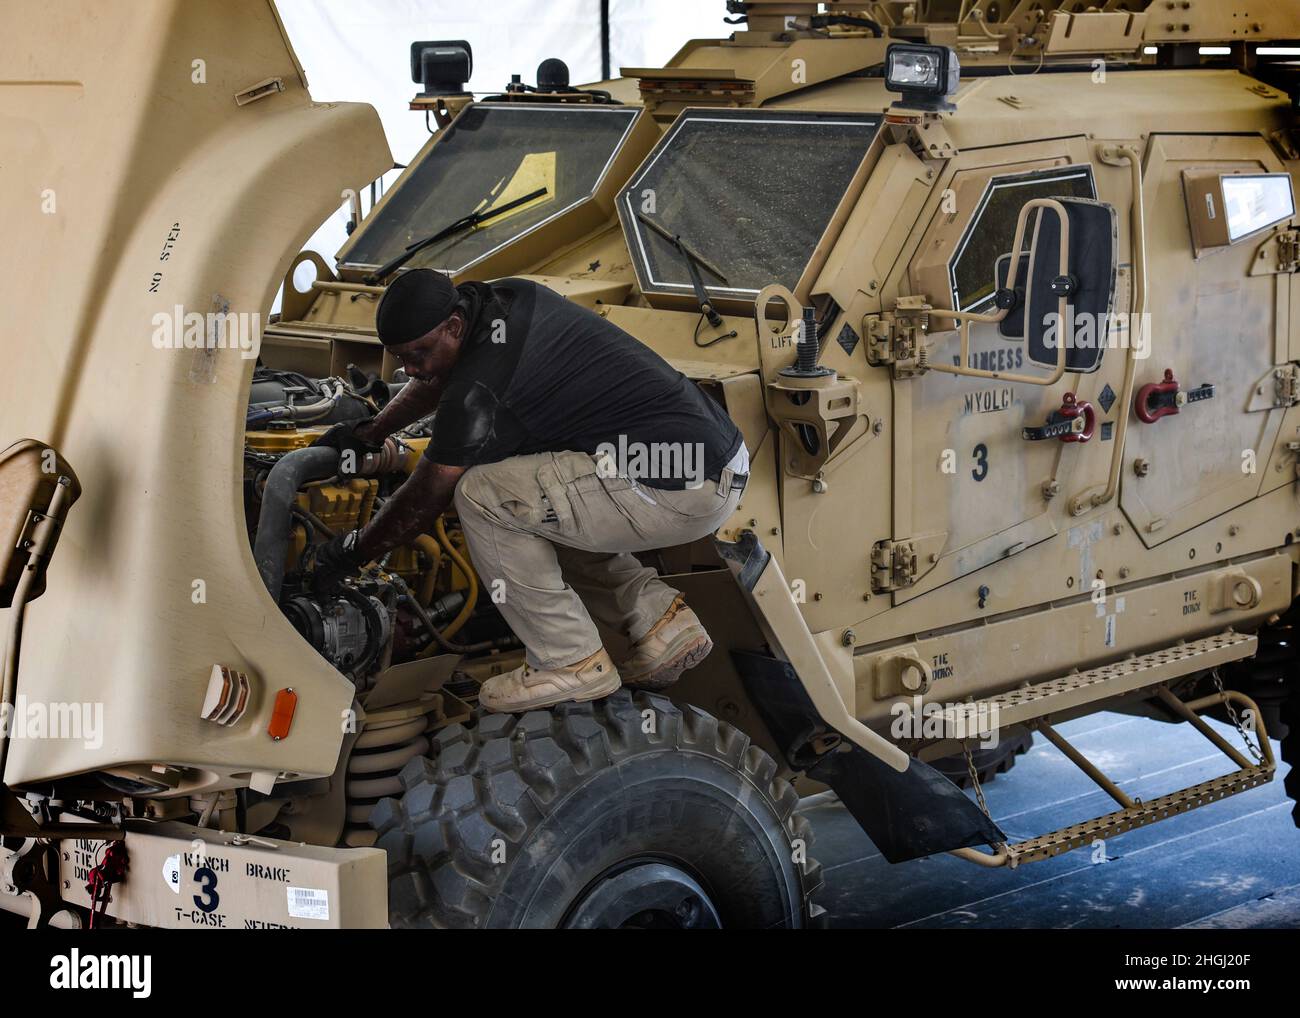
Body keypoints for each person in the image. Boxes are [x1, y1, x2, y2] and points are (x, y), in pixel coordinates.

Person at [309, 269, 748, 712]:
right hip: (711, 463)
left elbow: (426, 498)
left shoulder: (477, 391)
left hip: (677, 488)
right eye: (401, 358)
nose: (409, 368)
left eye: (417, 353)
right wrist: (370, 431)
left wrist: (351, 552)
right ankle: (660, 621)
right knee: (540, 506)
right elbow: (435, 376)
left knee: (484, 495)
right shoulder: (506, 296)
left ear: (455, 326)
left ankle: (570, 661)